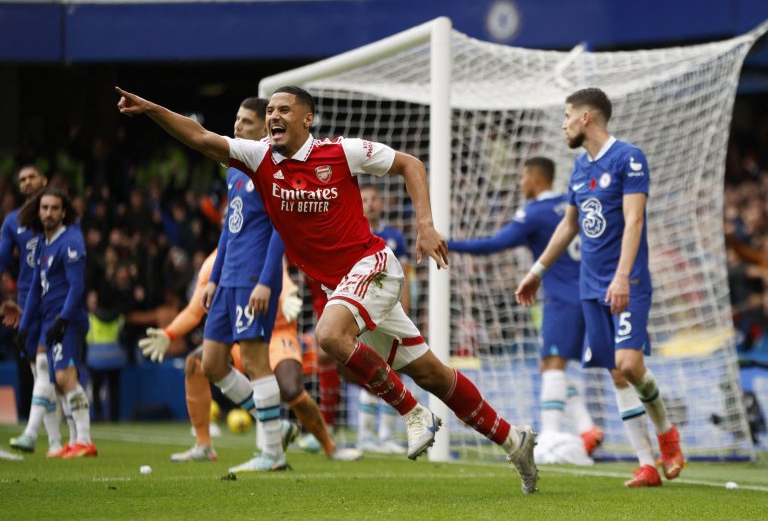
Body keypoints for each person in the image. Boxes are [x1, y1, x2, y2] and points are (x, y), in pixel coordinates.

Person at [116, 85, 538, 493]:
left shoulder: (340, 152)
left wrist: (425, 224)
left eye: (283, 110)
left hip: (373, 267)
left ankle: (412, 413)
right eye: (270, 112)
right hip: (347, 287)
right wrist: (153, 109)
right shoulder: (258, 156)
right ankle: (513, 440)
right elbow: (199, 136)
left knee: (329, 335)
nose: (273, 117)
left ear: (307, 118)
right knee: (433, 374)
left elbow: (411, 163)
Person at [138, 97, 359, 471]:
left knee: (257, 364)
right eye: (236, 119)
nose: (237, 126)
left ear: (262, 128)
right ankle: (275, 425)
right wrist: (216, 277)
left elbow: (280, 230)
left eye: (246, 121)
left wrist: (266, 281)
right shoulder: (234, 170)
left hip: (255, 278)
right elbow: (230, 227)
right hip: (228, 281)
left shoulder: (273, 168)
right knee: (211, 364)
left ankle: (272, 453)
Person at [515, 88, 684, 487]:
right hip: (590, 287)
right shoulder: (578, 167)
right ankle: (646, 465)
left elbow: (635, 220)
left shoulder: (629, 158)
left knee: (629, 364)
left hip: (628, 281)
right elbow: (569, 225)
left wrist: (623, 276)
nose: (563, 123)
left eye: (567, 114)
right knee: (616, 373)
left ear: (587, 117)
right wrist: (537, 270)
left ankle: (667, 435)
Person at [448, 157, 603, 459]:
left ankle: (551, 434)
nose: (520, 184)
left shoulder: (535, 212)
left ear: (535, 178)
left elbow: (495, 244)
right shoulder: (570, 205)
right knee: (548, 367)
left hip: (562, 300)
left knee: (554, 365)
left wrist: (448, 244)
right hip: (587, 294)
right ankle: (587, 429)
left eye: (522, 177)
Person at [17, 188, 96, 458]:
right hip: (50, 320)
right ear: (38, 211)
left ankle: (84, 440)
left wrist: (63, 319)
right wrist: (24, 327)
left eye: (54, 208)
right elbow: (36, 292)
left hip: (68, 319)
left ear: (64, 212)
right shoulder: (42, 243)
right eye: (44, 208)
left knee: (65, 378)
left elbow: (77, 287)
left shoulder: (71, 241)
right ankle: (74, 440)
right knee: (59, 384)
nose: (48, 213)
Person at [1, 165, 63, 455]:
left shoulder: (61, 216)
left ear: (44, 180)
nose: (26, 183)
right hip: (27, 300)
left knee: (46, 368)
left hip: (55, 298)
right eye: (22, 179)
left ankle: (31, 434)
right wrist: (5, 299)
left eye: (31, 177)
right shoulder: (13, 222)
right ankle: (55, 442)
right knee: (41, 373)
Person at [356, 184, 409, 454]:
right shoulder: (355, 234)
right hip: (362, 312)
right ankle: (365, 435)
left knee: (395, 369)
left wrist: (406, 310)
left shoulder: (395, 237)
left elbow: (405, 278)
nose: (371, 203)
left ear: (382, 202)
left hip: (391, 311)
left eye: (375, 198)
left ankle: (387, 435)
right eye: (365, 199)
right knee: (370, 369)